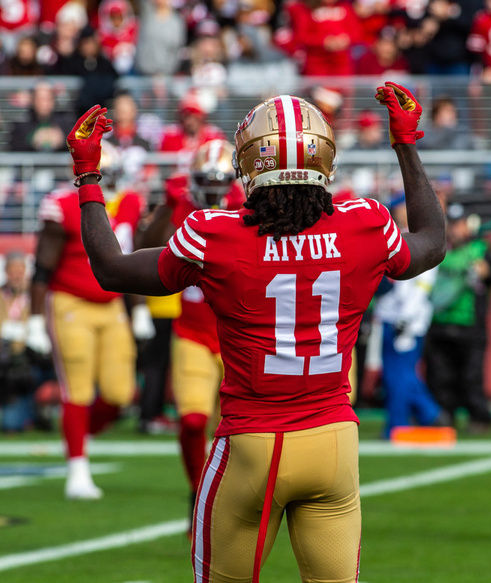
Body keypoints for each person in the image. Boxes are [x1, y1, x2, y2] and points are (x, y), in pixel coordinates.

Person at [67, 81, 445, 582]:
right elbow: (432, 244)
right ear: (324, 159)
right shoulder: (365, 224)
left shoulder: (215, 234)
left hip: (253, 443)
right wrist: (405, 144)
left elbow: (111, 269)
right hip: (333, 441)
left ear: (248, 165)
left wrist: (88, 176)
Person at [136, 139, 245, 530]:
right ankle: (198, 491)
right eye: (206, 181)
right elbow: (145, 248)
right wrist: (167, 206)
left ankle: (227, 500)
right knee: (194, 421)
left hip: (236, 332)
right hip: (194, 331)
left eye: (220, 181)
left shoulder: (246, 207)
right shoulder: (180, 206)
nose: (214, 189)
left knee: (237, 430)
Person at [29, 142, 144, 499]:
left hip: (111, 305)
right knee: (76, 387)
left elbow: (134, 254)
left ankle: (81, 434)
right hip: (71, 301)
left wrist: (139, 307)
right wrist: (33, 318)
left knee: (120, 391)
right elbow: (43, 264)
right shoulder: (62, 205)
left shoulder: (128, 204)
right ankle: (77, 468)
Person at [425, 202, 491, 433]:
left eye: (458, 224)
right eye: (451, 224)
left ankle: (479, 416)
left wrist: (485, 272)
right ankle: (444, 415)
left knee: (471, 375)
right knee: (439, 375)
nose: (454, 229)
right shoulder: (437, 249)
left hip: (470, 324)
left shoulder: (479, 249)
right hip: (439, 322)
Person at [375, 198, 445, 436]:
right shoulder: (394, 236)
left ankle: (400, 423)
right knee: (395, 374)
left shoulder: (421, 239)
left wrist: (407, 317)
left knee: (400, 375)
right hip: (390, 315)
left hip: (408, 320)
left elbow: (423, 285)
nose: (400, 211)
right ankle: (429, 414)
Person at [0, 251, 53, 433]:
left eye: (20, 270)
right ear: (5, 272)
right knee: (10, 426)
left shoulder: (38, 294)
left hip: (35, 360)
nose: (17, 275)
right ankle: (33, 411)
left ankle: (43, 408)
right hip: (8, 363)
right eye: (12, 270)